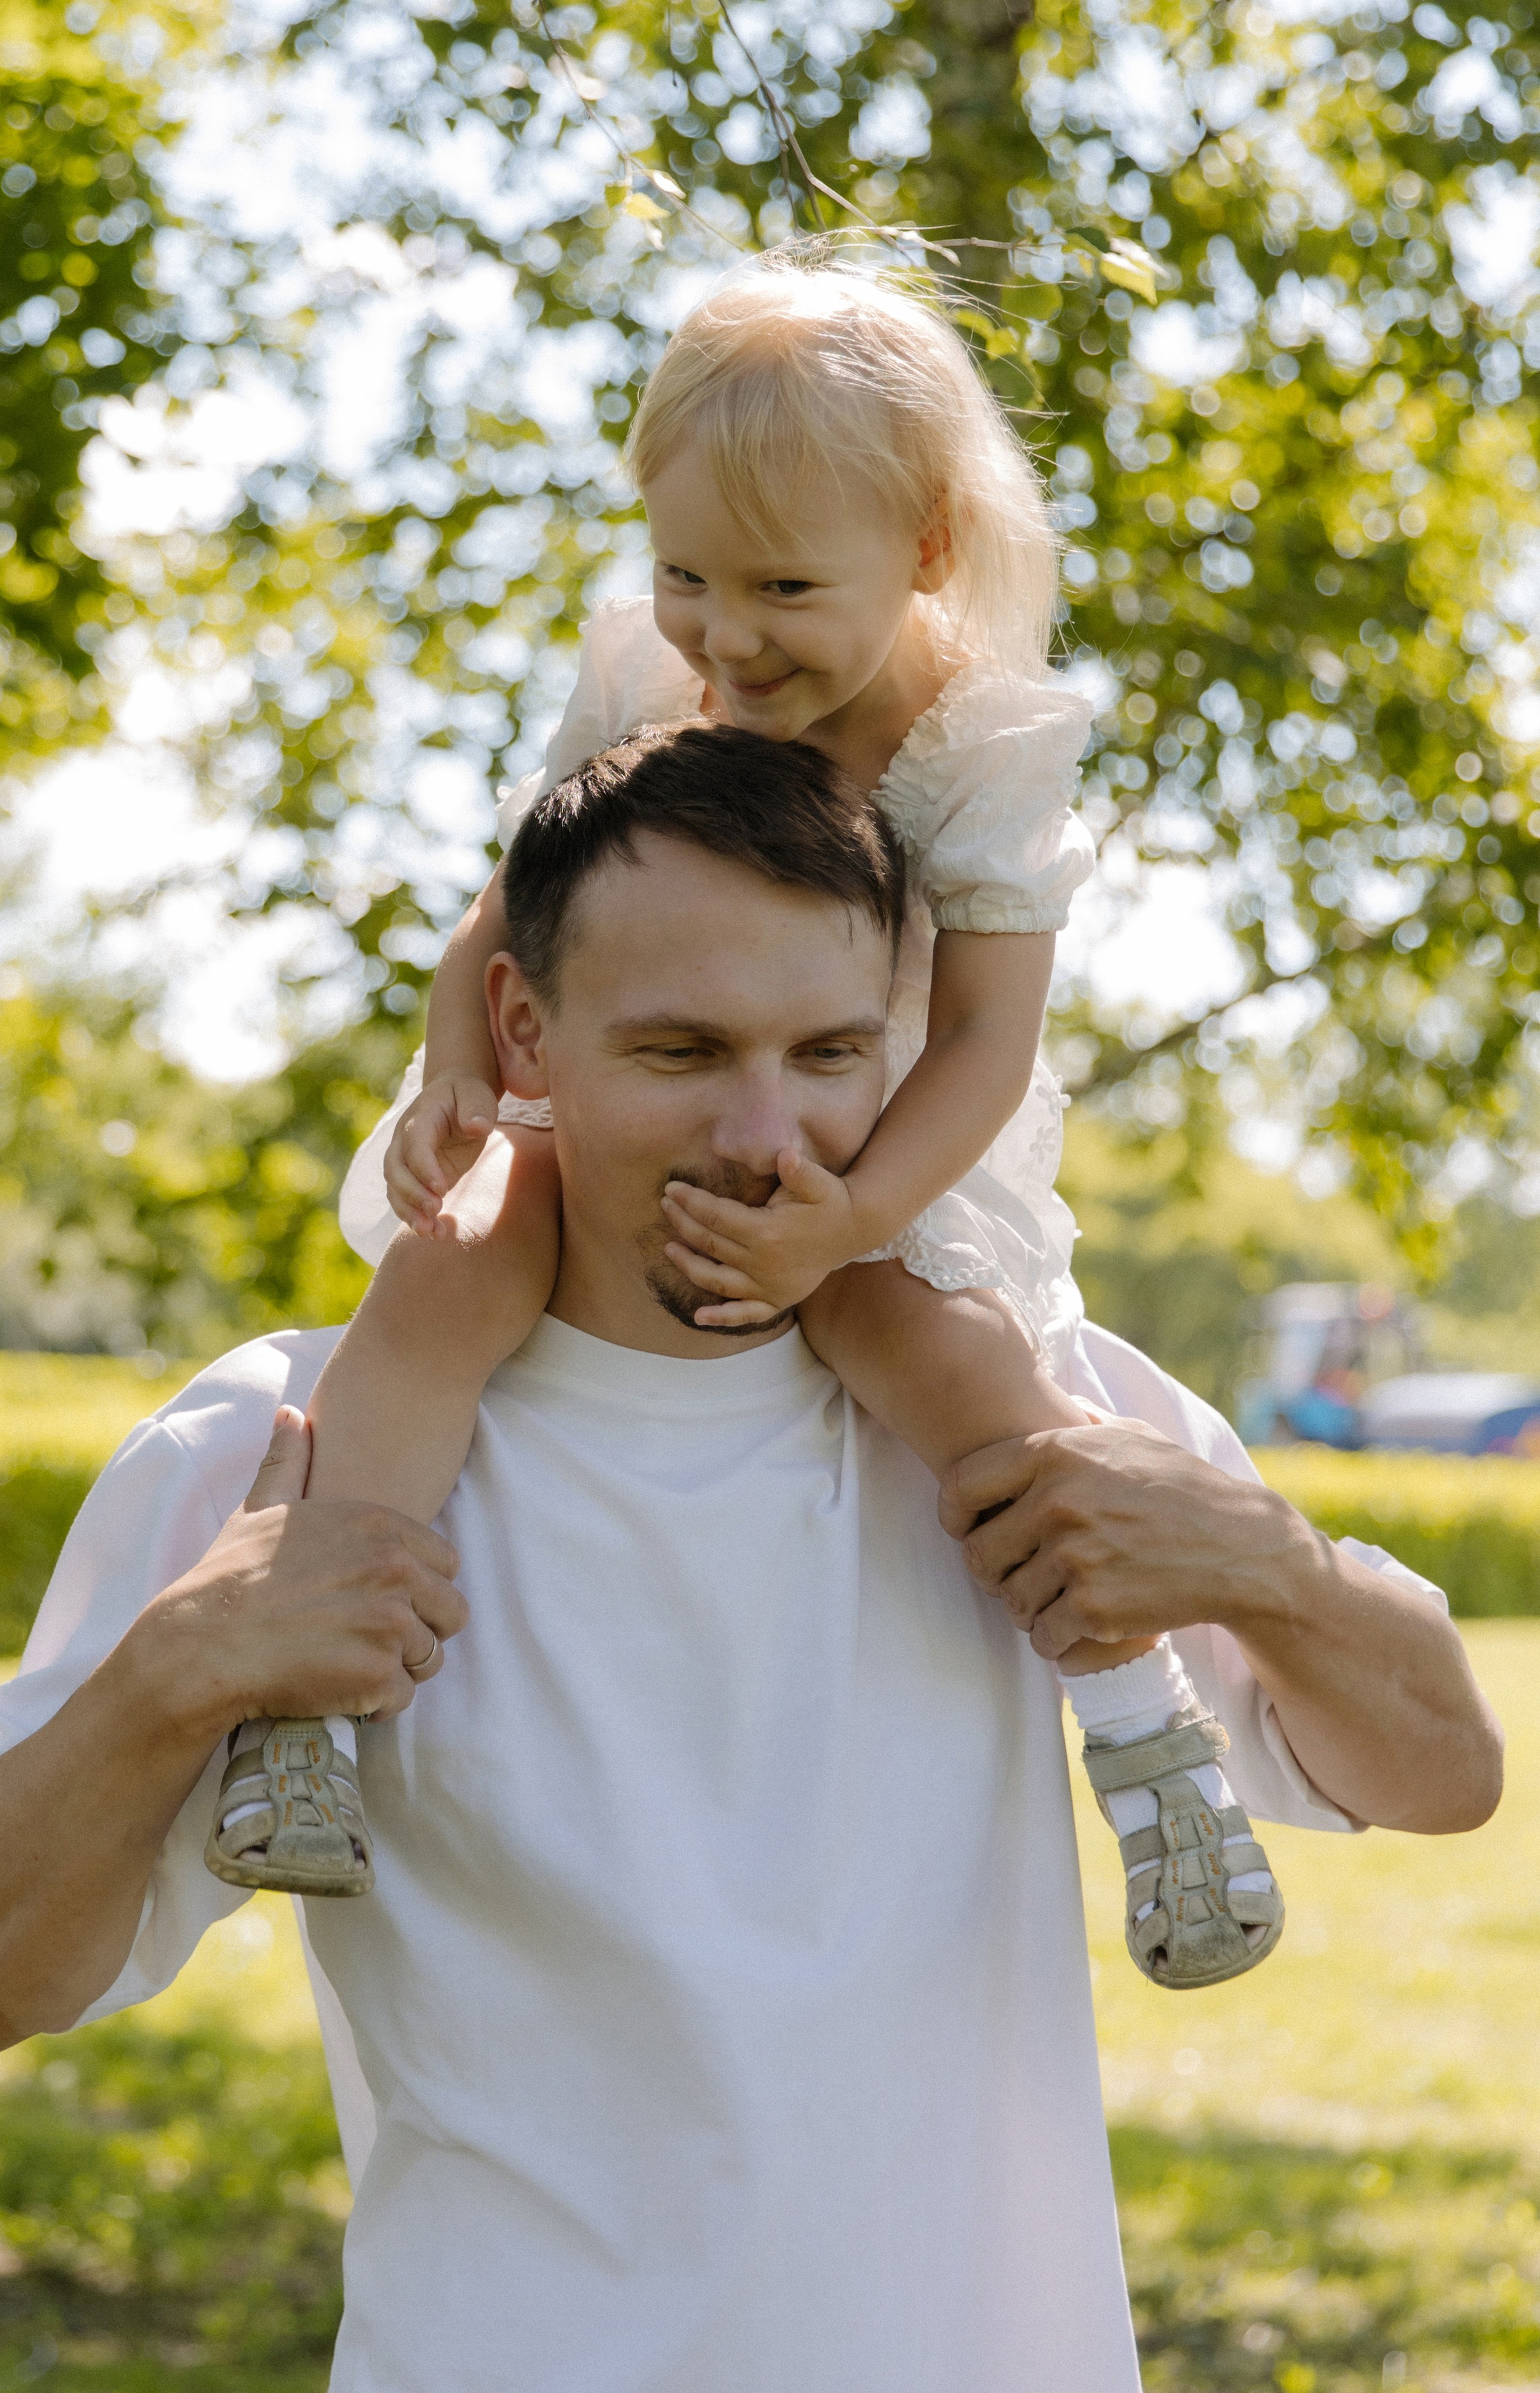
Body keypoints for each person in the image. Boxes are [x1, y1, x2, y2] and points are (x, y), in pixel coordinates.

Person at [0, 730, 1503, 2393]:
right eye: (683, 1050)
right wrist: (176, 1669)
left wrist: (1270, 1563)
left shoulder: (1036, 1411)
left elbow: (1443, 1774)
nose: (771, 1135)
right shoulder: (296, 1453)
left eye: (830, 1052)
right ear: (523, 1035)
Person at [247, 262, 1276, 1984]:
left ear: (931, 547)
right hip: (641, 1095)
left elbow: (983, 1045)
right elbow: (517, 903)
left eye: (786, 588)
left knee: (961, 1376)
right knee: (443, 1277)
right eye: (685, 575)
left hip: (873, 1132)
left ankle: (1146, 1733)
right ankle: (307, 1695)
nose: (727, 636)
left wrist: (850, 1217)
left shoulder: (980, 745)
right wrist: (452, 1066)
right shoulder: (662, 662)